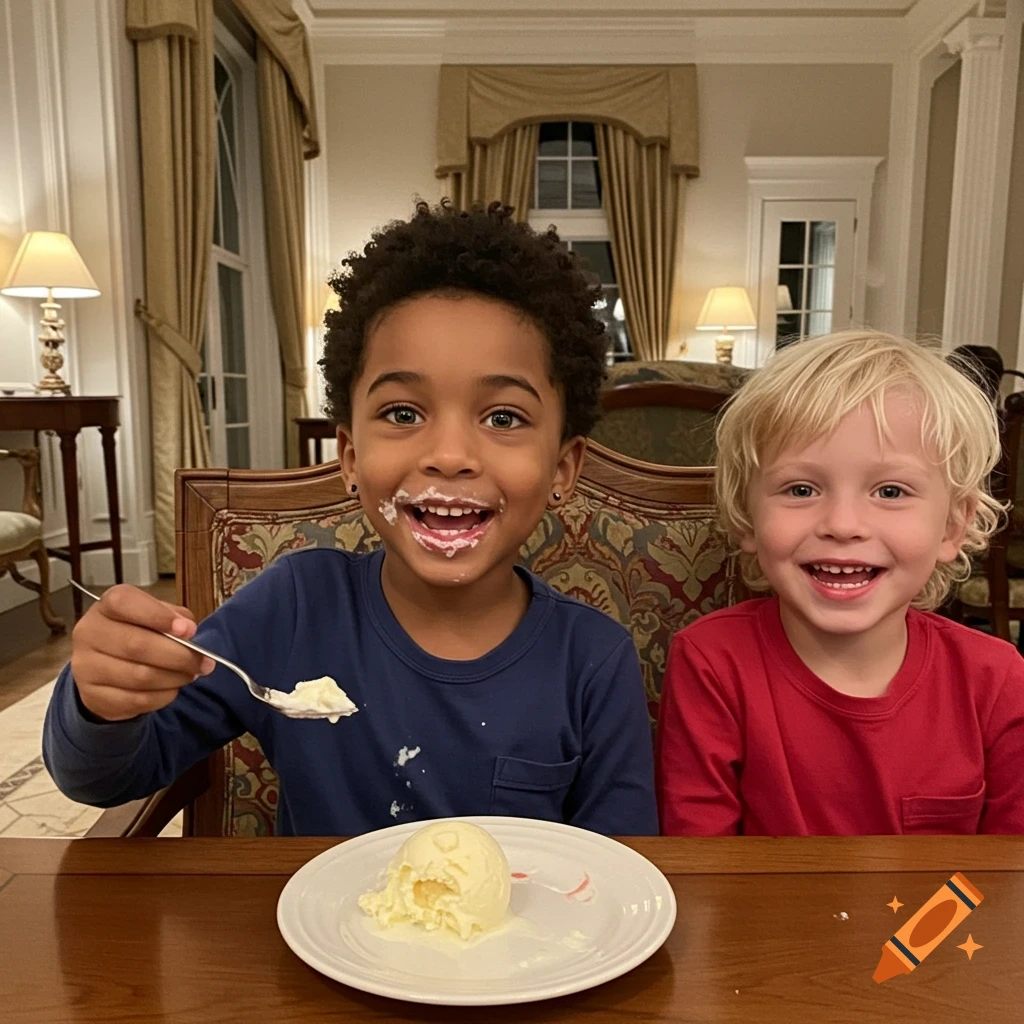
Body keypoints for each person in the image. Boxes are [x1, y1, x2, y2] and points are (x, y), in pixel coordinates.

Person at [43, 200, 658, 837]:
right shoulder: (294, 610)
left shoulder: (591, 661)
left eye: (503, 417)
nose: (449, 456)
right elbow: (103, 778)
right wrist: (102, 701)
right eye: (402, 413)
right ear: (350, 456)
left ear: (562, 468)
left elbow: (619, 867)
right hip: (311, 936)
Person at [656, 330, 1024, 836]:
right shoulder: (710, 661)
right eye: (801, 488)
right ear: (746, 517)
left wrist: (920, 923)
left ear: (953, 526)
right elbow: (701, 864)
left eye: (891, 490)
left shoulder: (997, 680)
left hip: (945, 920)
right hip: (763, 918)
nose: (843, 523)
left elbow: (1004, 876)